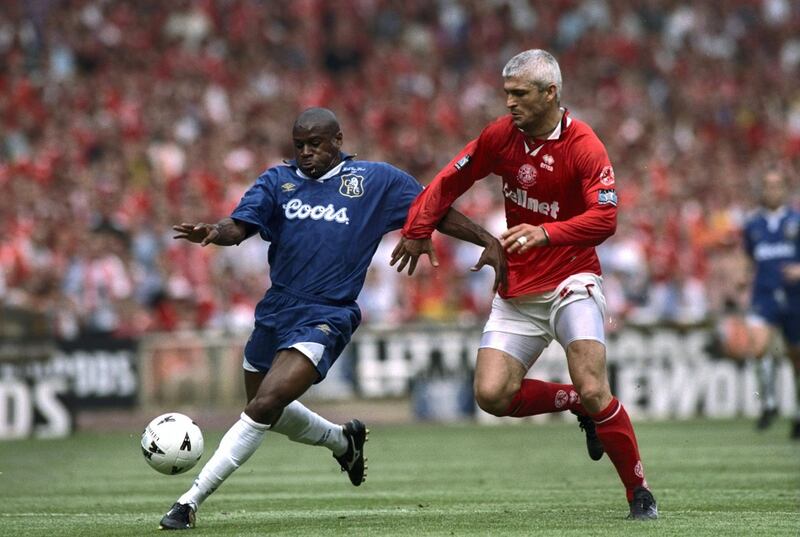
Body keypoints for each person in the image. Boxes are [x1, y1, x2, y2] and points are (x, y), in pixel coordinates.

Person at [159, 107, 506, 530]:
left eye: (315, 144)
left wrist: (486, 239)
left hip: (327, 312)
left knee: (264, 404)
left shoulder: (376, 181)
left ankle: (189, 501)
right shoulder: (277, 181)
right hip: (276, 309)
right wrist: (216, 232)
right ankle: (343, 441)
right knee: (266, 405)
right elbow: (240, 226)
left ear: (338, 140)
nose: (306, 153)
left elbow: (432, 207)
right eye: (299, 145)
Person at [391, 49, 657, 520]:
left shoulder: (584, 145)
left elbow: (606, 218)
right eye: (506, 93)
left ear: (550, 93)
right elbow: (450, 179)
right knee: (492, 396)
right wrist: (417, 229)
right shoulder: (501, 136)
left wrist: (546, 232)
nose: (509, 103)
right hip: (519, 287)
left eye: (519, 94)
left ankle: (639, 493)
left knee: (596, 387)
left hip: (572, 280)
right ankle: (577, 404)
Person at [741, 168, 800, 438]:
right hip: (763, 294)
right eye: (767, 185)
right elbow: (749, 258)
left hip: (794, 295)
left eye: (776, 185)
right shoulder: (752, 225)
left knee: (796, 357)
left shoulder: (796, 220)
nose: (772, 191)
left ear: (784, 189)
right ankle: (769, 403)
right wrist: (742, 279)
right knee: (758, 345)